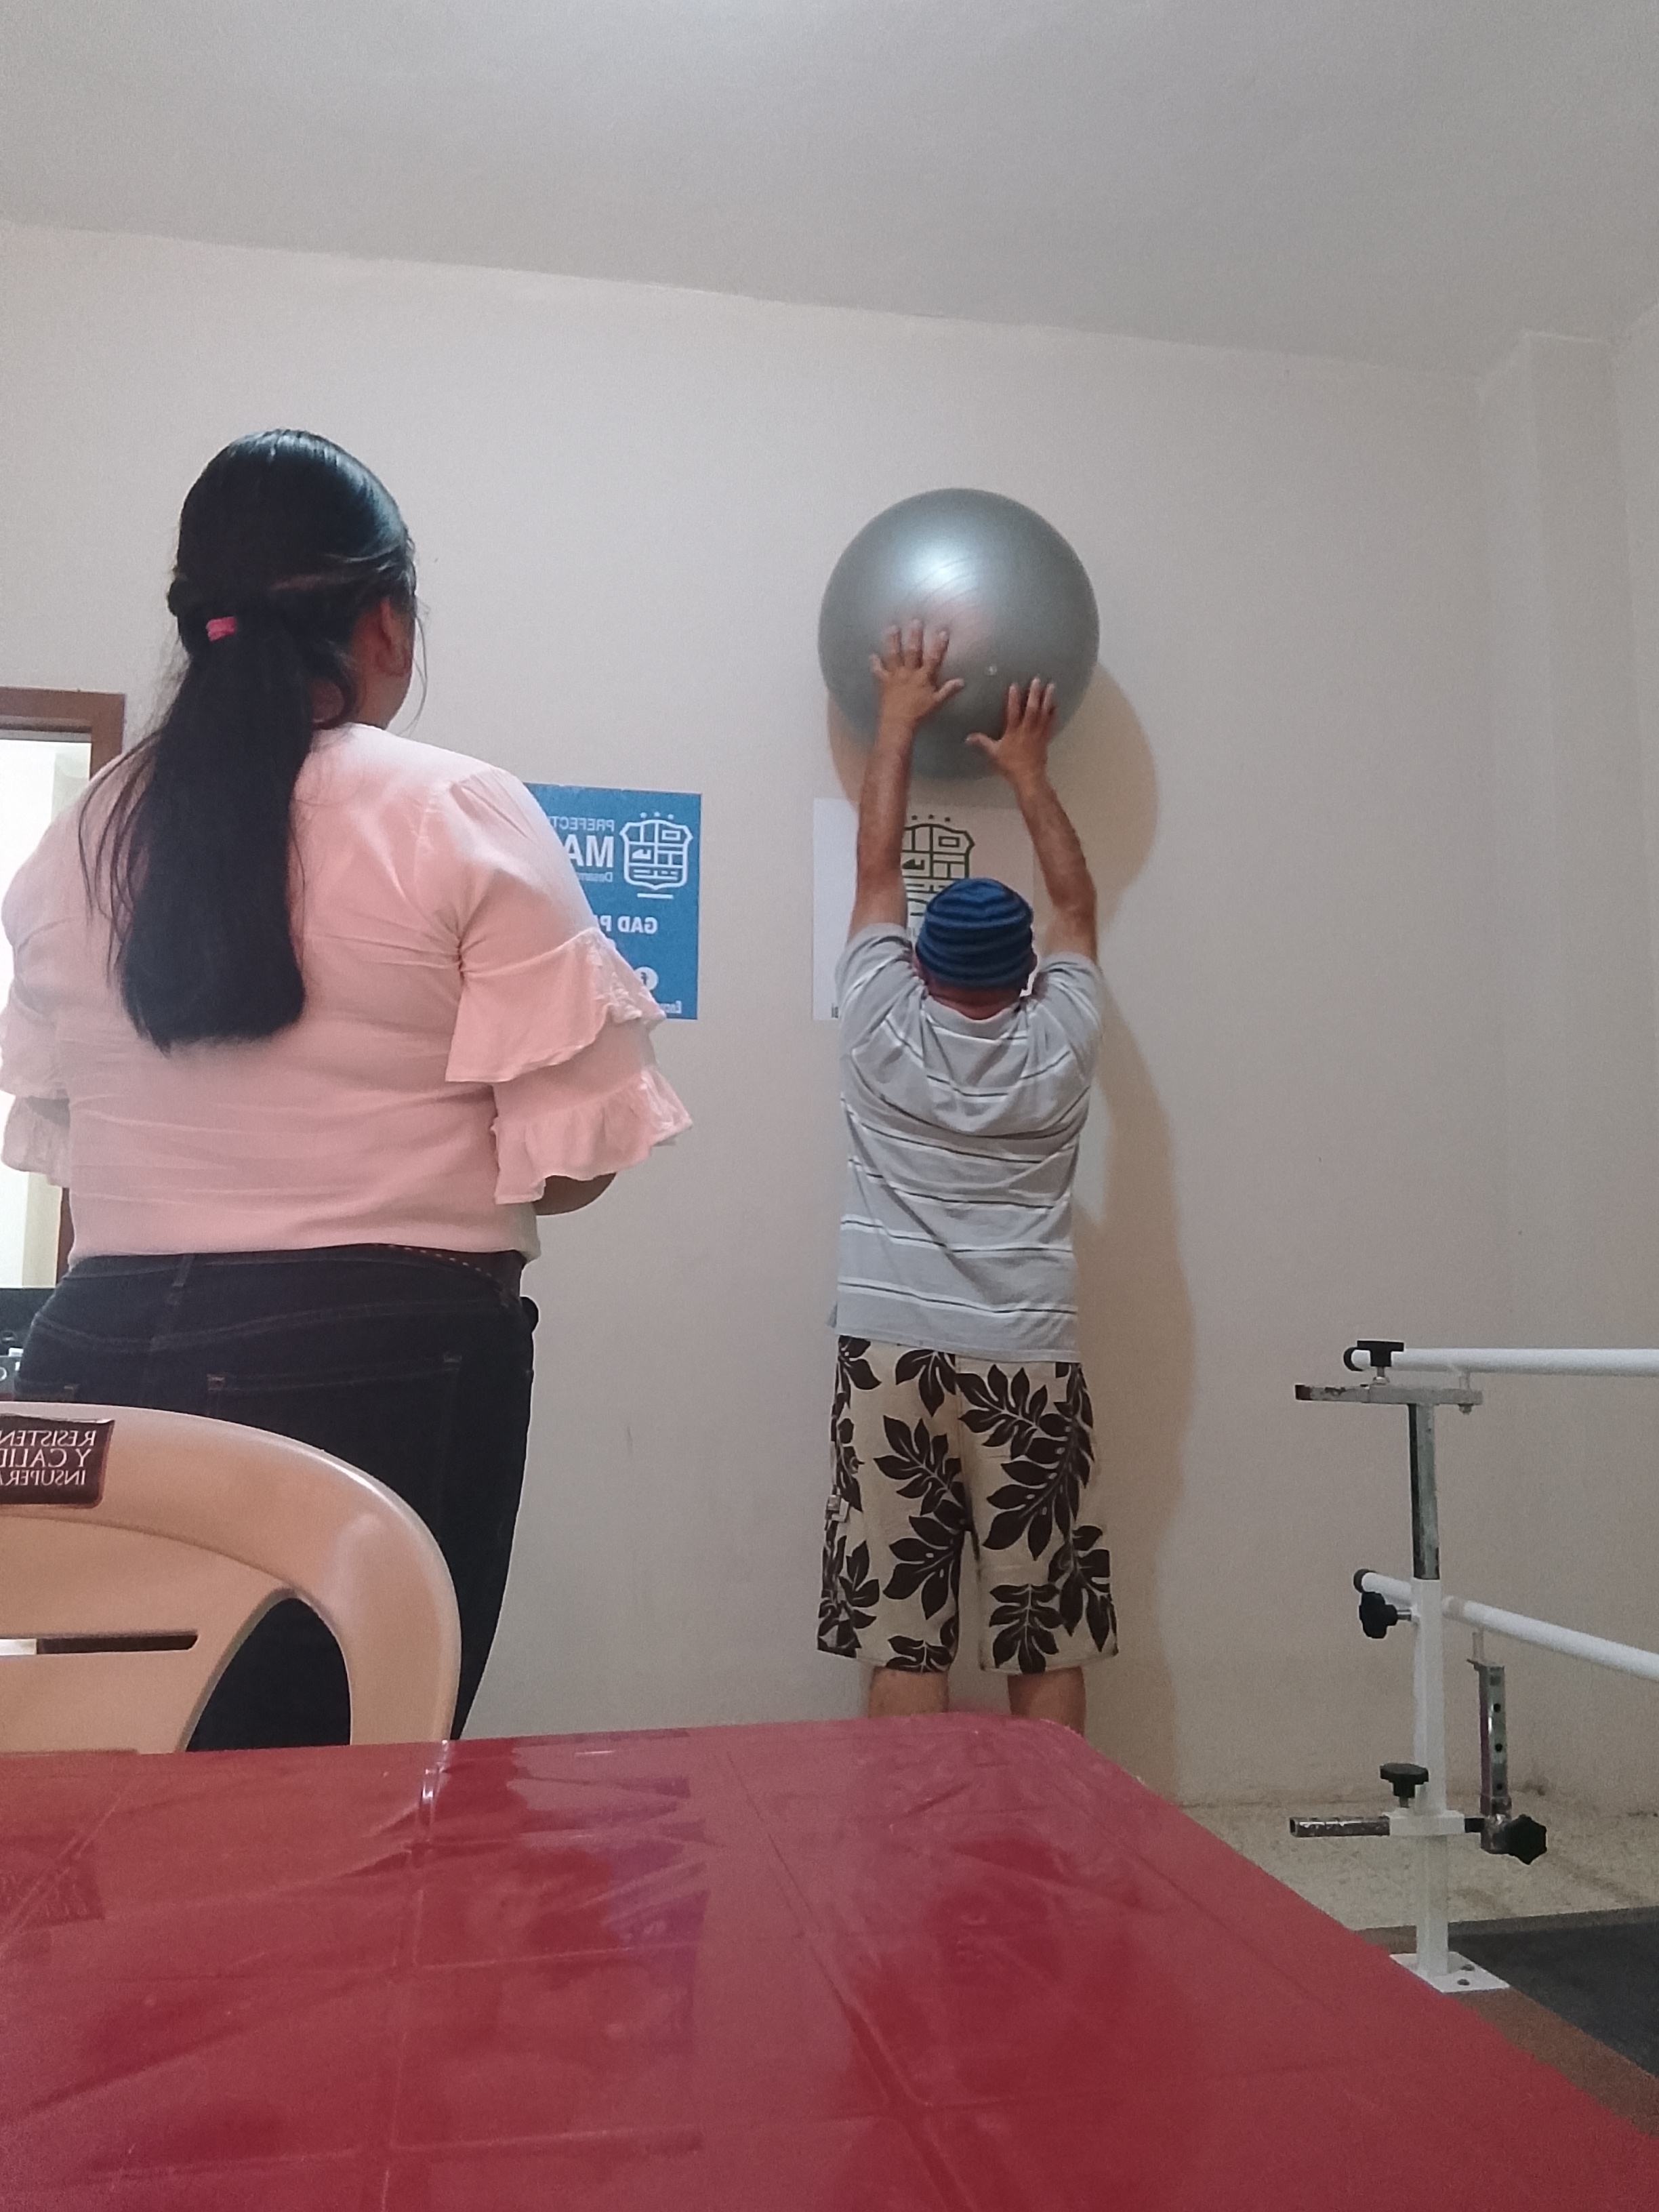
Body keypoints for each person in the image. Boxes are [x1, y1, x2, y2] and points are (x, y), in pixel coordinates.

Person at [0, 429, 689, 1746]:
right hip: (377, 1363)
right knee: (343, 1805)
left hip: (97, 1359)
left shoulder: (76, 837)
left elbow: (71, 1133)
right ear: (385, 623)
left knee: (110, 1793)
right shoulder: (456, 810)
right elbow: (572, 1164)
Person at [818, 621, 1115, 1734]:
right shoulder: (1061, 1038)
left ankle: (913, 1838)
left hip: (891, 1348)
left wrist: (894, 720)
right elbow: (1078, 905)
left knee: (904, 1630)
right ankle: (1054, 1832)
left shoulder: (879, 1021)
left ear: (922, 964)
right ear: (1029, 973)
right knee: (1045, 1627)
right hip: (1028, 1355)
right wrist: (1029, 772)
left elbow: (876, 870)